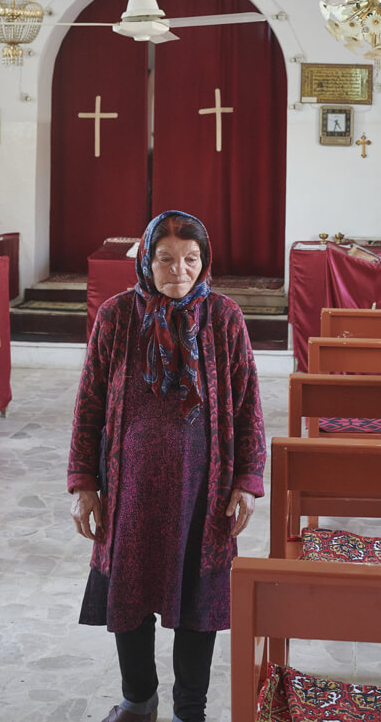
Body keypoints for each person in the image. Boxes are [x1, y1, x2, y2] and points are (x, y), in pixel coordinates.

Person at [68, 210, 266, 722]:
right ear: (145, 260)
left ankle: (189, 710)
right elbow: (89, 402)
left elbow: (247, 407)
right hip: (127, 488)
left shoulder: (224, 318)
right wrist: (84, 483)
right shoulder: (117, 316)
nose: (178, 270)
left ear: (204, 263)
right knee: (128, 597)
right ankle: (139, 700)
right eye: (165, 259)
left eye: (190, 259)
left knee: (197, 604)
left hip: (205, 488)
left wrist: (245, 481)